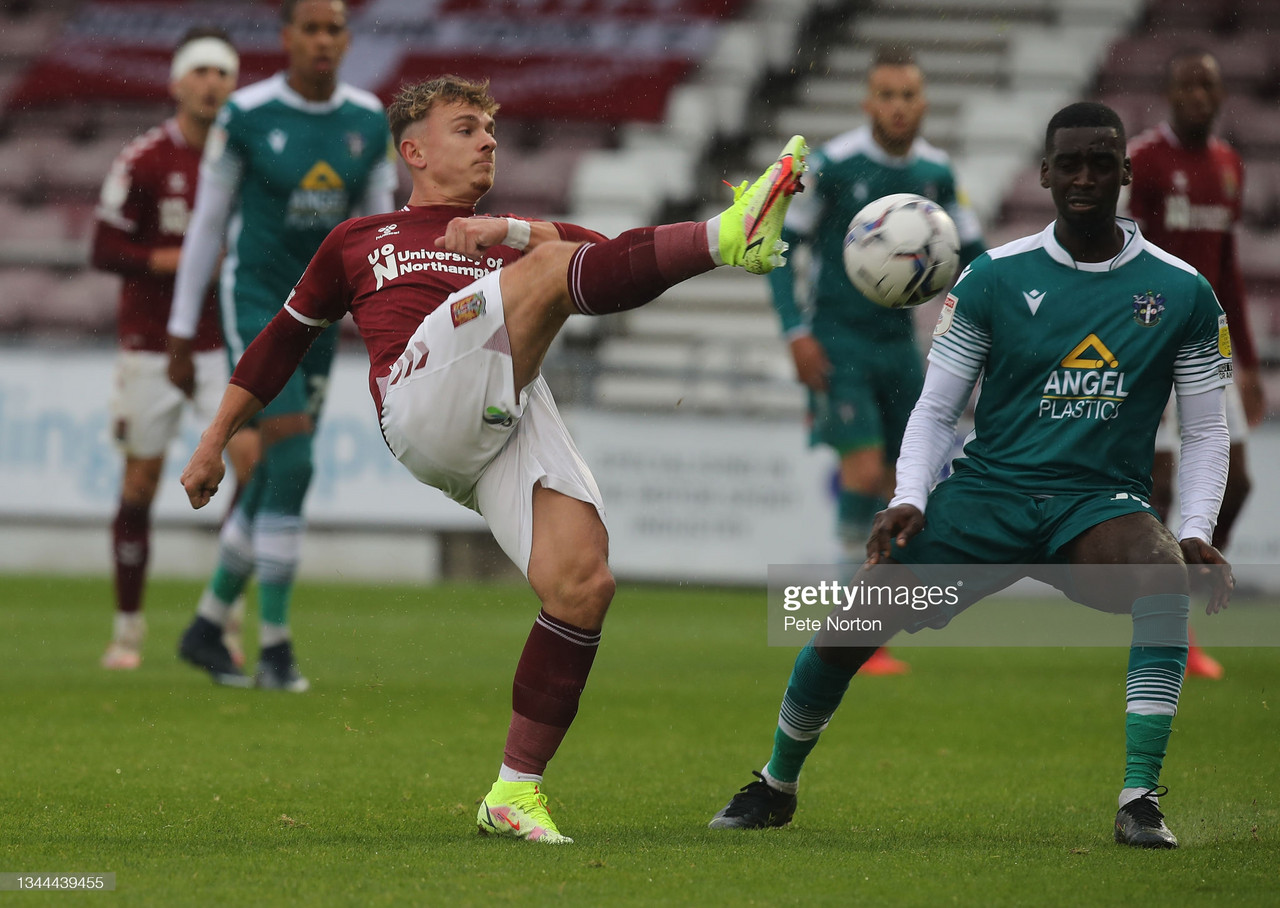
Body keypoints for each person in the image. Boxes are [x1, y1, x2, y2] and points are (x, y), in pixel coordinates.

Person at [176, 74, 807, 843]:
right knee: (545, 272)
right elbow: (280, 344)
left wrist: (505, 231)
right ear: (414, 150)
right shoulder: (358, 240)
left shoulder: (518, 235)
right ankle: (726, 236)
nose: (488, 143)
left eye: (491, 132)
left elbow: (609, 266)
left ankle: (514, 793)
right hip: (421, 399)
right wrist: (213, 442)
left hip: (504, 408)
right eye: (467, 129)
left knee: (582, 584)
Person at [710, 101, 1233, 850]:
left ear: (1125, 172)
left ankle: (1140, 798)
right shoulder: (992, 278)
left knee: (1160, 577)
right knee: (850, 624)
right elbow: (934, 409)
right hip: (987, 497)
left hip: (1099, 505)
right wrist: (909, 497)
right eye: (1071, 163)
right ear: (1046, 173)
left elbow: (1207, 430)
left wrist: (1192, 532)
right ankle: (775, 783)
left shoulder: (1181, 292)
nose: (1085, 176)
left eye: (1101, 162)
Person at [167, 0, 398, 692]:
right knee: (292, 459)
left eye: (335, 29)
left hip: (323, 316)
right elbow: (209, 227)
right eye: (312, 29)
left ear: (345, 40)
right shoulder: (246, 115)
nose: (323, 41)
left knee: (276, 470)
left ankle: (208, 625)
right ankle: (273, 649)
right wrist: (183, 331)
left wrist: (386, 321)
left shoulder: (366, 120)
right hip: (260, 304)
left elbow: (379, 227)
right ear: (288, 38)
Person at [768, 46, 986, 676]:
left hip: (901, 348)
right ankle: (850, 629)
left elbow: (974, 255)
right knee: (864, 474)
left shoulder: (939, 174)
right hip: (838, 344)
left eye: (909, 94)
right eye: (887, 95)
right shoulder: (834, 165)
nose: (898, 106)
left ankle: (871, 628)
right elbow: (782, 245)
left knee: (904, 486)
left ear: (923, 102)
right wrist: (795, 333)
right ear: (868, 102)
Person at [93, 27, 258, 670]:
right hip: (149, 346)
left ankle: (224, 619)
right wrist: (174, 259)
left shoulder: (242, 156)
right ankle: (128, 630)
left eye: (223, 71)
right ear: (177, 83)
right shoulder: (145, 159)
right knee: (139, 483)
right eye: (201, 71)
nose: (212, 82)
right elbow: (103, 250)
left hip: (222, 343)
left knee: (250, 468)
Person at [1127, 48, 1261, 680]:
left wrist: (1252, 363)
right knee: (1157, 484)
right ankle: (1164, 621)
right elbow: (1125, 253)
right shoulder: (1146, 161)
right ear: (1171, 93)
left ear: (1219, 93)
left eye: (1207, 84)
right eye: (1186, 85)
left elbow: (1228, 267)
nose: (1197, 96)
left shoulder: (1229, 166)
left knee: (1237, 483)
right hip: (1150, 342)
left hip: (1209, 346)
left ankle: (1182, 591)